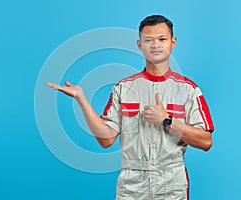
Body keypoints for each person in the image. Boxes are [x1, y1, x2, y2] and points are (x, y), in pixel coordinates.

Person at [47, 15, 214, 200]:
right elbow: (106, 140)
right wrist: (81, 99)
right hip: (132, 184)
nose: (155, 45)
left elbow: (205, 142)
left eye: (162, 39)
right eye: (148, 40)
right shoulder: (124, 88)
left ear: (173, 42)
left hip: (171, 182)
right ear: (139, 44)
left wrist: (167, 120)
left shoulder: (188, 89)